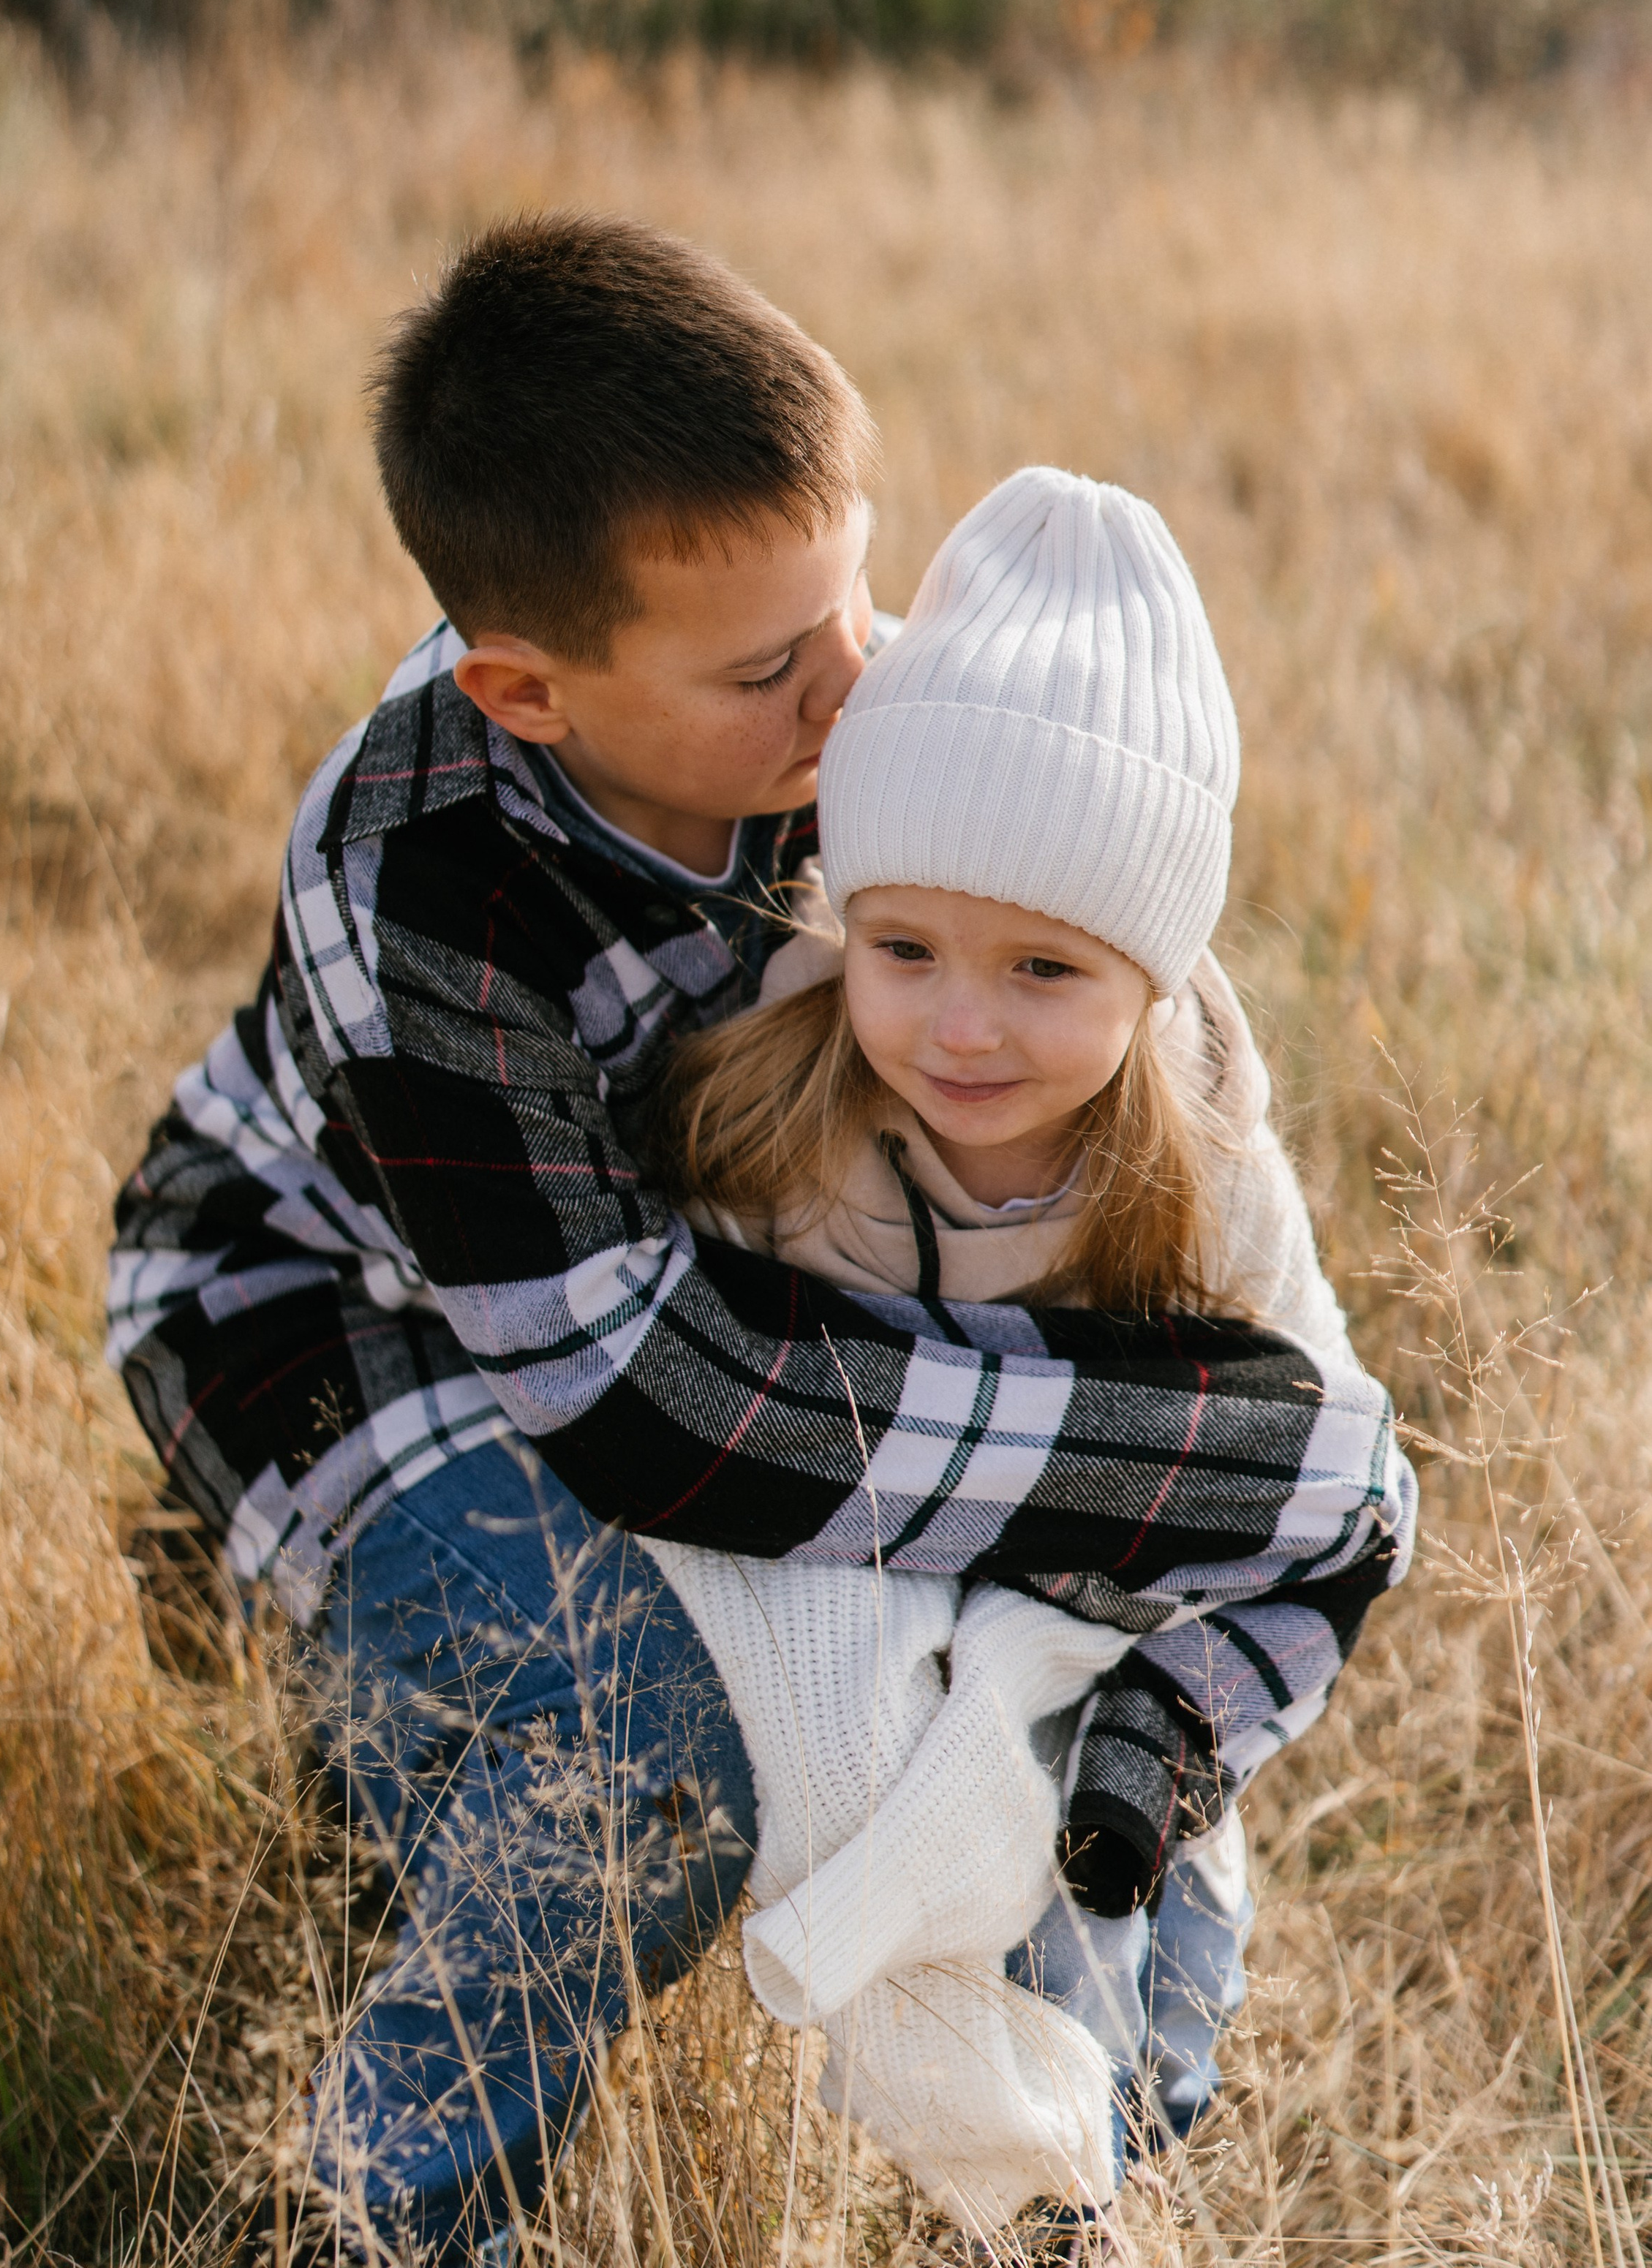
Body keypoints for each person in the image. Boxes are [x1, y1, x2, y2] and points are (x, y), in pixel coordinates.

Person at [105, 216, 1416, 2262]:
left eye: (856, 596)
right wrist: (1238, 1455)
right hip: (343, 1309)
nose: (857, 680)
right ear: (529, 691)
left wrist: (1237, 1448)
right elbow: (665, 1418)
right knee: (629, 1744)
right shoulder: (414, 875)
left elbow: (1098, 947)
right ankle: (374, 2216)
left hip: (713, 1294)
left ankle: (1081, 2162)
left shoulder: (832, 713)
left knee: (1025, 1702)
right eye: (764, 668)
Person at [643, 463, 1399, 2232]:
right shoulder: (770, 1126)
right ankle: (923, 2067)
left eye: (1044, 972)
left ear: (1149, 974)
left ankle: (1085, 2181)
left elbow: (1323, 1484)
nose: (960, 1027)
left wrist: (1166, 1721)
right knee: (893, 1846)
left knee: (1129, 2009)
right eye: (902, 947)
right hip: (873, 1600)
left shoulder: (1200, 1178)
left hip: (1105, 1629)